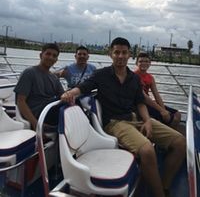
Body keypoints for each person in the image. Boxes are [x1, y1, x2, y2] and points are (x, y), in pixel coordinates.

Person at [61, 37, 186, 197]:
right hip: (114, 123)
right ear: (110, 54)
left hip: (135, 118)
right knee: (147, 150)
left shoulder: (134, 79)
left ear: (129, 55)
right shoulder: (101, 75)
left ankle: (164, 186)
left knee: (180, 143)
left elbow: (140, 102)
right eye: (117, 52)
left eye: (124, 53)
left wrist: (147, 121)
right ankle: (159, 194)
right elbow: (83, 88)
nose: (120, 56)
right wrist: (69, 93)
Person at [14, 43, 64, 131]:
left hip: (49, 111)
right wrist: (36, 124)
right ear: (41, 55)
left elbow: (63, 95)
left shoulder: (54, 78)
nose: (51, 57)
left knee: (73, 100)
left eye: (54, 56)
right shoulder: (29, 73)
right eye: (48, 54)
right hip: (38, 113)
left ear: (56, 60)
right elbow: (20, 101)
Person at [134, 52, 181, 129]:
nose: (143, 63)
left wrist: (163, 109)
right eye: (141, 61)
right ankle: (169, 135)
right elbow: (144, 97)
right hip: (140, 104)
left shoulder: (150, 78)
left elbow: (156, 94)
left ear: (150, 63)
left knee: (177, 114)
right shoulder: (134, 76)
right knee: (170, 118)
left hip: (149, 103)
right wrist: (162, 111)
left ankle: (170, 132)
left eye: (146, 61)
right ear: (136, 63)